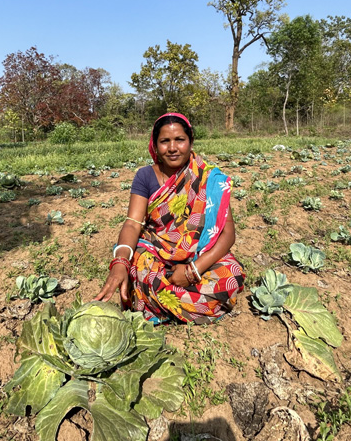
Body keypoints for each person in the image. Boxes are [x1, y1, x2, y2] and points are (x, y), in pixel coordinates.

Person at [95, 113, 245, 324]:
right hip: (157, 251)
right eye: (165, 141)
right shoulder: (145, 176)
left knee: (231, 274)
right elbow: (133, 224)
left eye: (179, 140)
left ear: (190, 141)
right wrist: (120, 262)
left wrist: (193, 270)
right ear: (155, 146)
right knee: (138, 265)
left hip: (198, 255)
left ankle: (158, 302)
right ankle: (176, 300)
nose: (172, 148)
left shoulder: (209, 178)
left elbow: (228, 235)